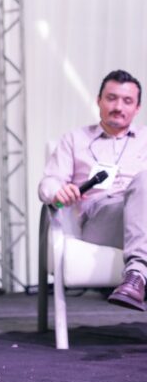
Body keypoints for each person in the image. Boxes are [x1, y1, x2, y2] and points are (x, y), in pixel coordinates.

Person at [39, 69, 147, 311]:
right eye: (111, 98)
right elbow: (49, 181)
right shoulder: (74, 139)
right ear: (99, 100)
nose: (118, 107)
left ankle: (136, 277)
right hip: (101, 217)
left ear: (137, 108)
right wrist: (58, 192)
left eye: (127, 101)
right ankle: (138, 274)